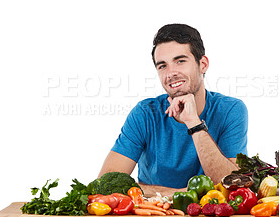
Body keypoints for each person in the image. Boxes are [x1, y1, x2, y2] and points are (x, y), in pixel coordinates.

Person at [98, 24, 248, 198]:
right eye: (162, 66)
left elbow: (233, 185)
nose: (171, 73)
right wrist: (179, 194)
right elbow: (104, 184)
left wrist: (194, 123)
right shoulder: (145, 114)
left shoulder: (231, 110)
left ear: (203, 64)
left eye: (180, 61)